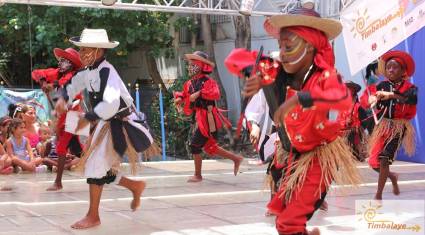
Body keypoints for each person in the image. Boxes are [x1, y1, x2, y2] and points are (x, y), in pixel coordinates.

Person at [243, 8, 361, 235]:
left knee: (289, 224)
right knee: (284, 222)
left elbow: (341, 98)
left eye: (288, 47)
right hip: (293, 155)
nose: (283, 53)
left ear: (309, 46)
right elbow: (265, 79)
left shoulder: (325, 76)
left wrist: (299, 99)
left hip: (317, 157)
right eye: (281, 46)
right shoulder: (285, 75)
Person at [58, 28, 155, 229]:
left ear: (100, 51)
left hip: (120, 122)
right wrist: (62, 99)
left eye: (87, 49)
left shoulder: (107, 71)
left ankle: (93, 216)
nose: (82, 53)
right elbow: (72, 85)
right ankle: (134, 186)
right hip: (106, 122)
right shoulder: (88, 71)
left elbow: (111, 104)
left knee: (94, 166)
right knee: (99, 167)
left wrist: (88, 117)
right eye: (82, 49)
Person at [174, 51, 244, 183]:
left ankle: (198, 175)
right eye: (189, 64)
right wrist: (180, 98)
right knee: (208, 146)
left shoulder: (208, 82)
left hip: (208, 118)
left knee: (195, 145)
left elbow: (214, 94)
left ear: (201, 65)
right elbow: (184, 94)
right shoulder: (190, 83)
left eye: (193, 64)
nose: (190, 67)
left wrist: (199, 93)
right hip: (200, 117)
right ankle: (236, 159)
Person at [365, 50, 417, 200]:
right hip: (383, 126)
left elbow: (411, 101)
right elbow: (374, 99)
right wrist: (372, 99)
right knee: (375, 163)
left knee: (384, 158)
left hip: (398, 127)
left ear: (402, 71)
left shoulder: (410, 88)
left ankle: (378, 194)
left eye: (394, 67)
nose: (391, 70)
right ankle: (392, 177)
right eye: (388, 68)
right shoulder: (381, 85)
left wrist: (391, 95)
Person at [32, 47, 84, 191]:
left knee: (62, 147)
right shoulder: (58, 74)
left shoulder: (73, 77)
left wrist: (50, 86)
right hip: (63, 117)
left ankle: (58, 182)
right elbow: (37, 73)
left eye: (64, 61)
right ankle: (104, 168)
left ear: (71, 64)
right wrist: (42, 81)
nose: (60, 63)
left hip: (73, 116)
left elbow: (63, 86)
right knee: (77, 150)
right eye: (60, 60)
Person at [339, 81, 368, 162]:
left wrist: (356, 126)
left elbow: (365, 123)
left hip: (354, 135)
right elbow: (335, 121)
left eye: (349, 89)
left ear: (353, 92)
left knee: (351, 134)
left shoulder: (359, 107)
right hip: (340, 134)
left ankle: (355, 152)